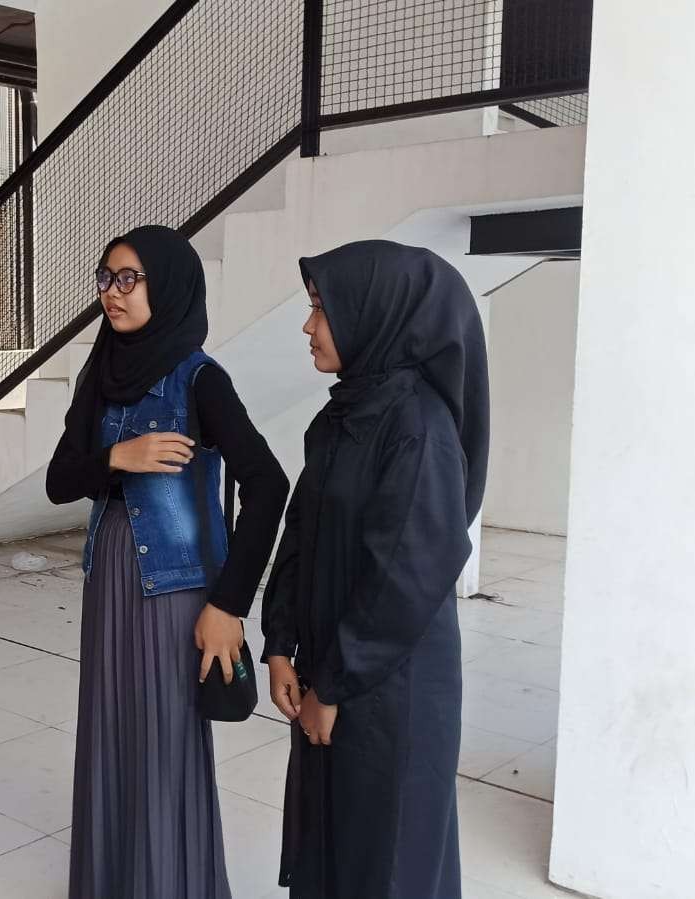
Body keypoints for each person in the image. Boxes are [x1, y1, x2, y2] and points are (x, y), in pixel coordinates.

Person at [47, 225, 289, 898]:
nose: (112, 294)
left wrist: (230, 605)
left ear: (168, 283)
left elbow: (268, 485)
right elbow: (61, 480)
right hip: (112, 576)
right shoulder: (103, 371)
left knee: (163, 742)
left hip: (179, 590)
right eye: (105, 278)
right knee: (110, 732)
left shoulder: (200, 379)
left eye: (128, 279)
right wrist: (115, 459)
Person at [261, 240, 488, 899]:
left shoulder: (419, 427)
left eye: (321, 311)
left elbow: (407, 577)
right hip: (334, 668)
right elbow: (299, 532)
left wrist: (332, 685)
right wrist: (279, 644)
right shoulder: (340, 416)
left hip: (392, 690)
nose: (308, 327)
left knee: (387, 856)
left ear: (373, 315)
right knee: (332, 842)